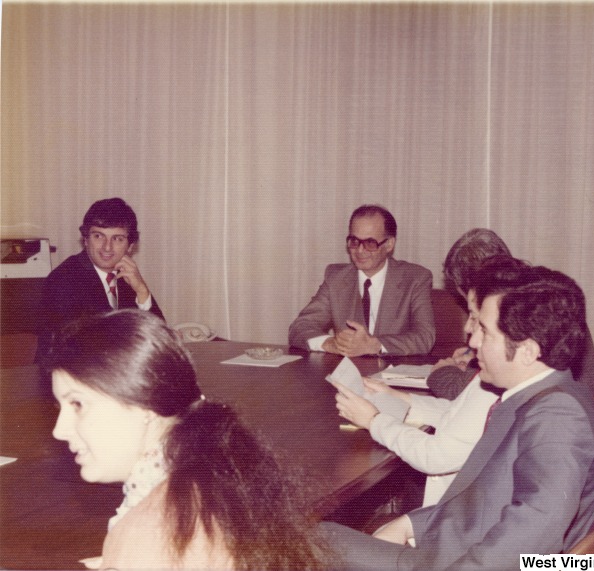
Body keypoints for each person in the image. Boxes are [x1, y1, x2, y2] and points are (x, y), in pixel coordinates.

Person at [323, 267, 594, 569]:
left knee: (310, 539)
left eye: (485, 331)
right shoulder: (538, 394)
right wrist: (413, 524)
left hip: (455, 563)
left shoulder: (558, 416)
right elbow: (484, 497)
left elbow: (536, 527)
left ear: (526, 351)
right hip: (455, 546)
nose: (473, 342)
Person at [45, 310, 331, 570]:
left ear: (143, 404)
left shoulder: (157, 534)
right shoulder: (213, 468)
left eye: (78, 405)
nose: (59, 430)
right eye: (61, 408)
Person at [428, 228, 594, 427]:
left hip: (571, 434)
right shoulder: (547, 298)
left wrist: (442, 371)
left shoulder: (520, 314)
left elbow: (465, 389)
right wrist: (474, 355)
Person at [334, 285, 498, 507]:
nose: (468, 330)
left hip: (450, 516)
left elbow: (433, 456)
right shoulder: (499, 380)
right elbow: (457, 412)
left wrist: (374, 421)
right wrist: (398, 397)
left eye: (475, 318)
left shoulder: (496, 381)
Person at [288, 204, 435, 357]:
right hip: (347, 375)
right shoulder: (336, 278)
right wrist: (330, 343)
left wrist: (375, 345)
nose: (359, 250)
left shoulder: (416, 278)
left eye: (370, 243)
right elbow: (299, 327)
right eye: (354, 241)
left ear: (389, 244)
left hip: (394, 373)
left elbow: (425, 338)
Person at [35, 197, 165, 361]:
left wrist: (142, 290)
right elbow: (78, 347)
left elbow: (161, 338)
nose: (107, 247)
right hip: (66, 376)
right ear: (86, 239)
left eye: (117, 238)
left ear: (130, 246)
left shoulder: (126, 276)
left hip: (112, 374)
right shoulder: (63, 279)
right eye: (98, 236)